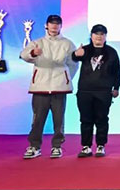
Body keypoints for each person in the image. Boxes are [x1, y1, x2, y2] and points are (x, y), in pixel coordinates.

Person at [20, 14, 78, 159]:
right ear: (46, 25)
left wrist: (65, 78)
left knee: (59, 120)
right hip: (40, 87)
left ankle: (57, 146)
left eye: (57, 24)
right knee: (37, 120)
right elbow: (24, 55)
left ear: (61, 26)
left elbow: (73, 64)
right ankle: (34, 146)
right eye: (52, 23)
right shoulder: (37, 42)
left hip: (59, 88)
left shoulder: (67, 43)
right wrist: (33, 53)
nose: (54, 26)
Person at [72, 24, 120, 158]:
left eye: (102, 34)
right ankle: (86, 146)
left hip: (104, 92)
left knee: (102, 119)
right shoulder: (85, 50)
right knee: (85, 119)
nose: (99, 37)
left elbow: (116, 72)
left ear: (105, 36)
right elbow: (74, 57)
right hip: (85, 91)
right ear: (91, 35)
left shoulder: (111, 52)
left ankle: (101, 145)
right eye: (96, 34)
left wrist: (116, 88)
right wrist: (76, 54)